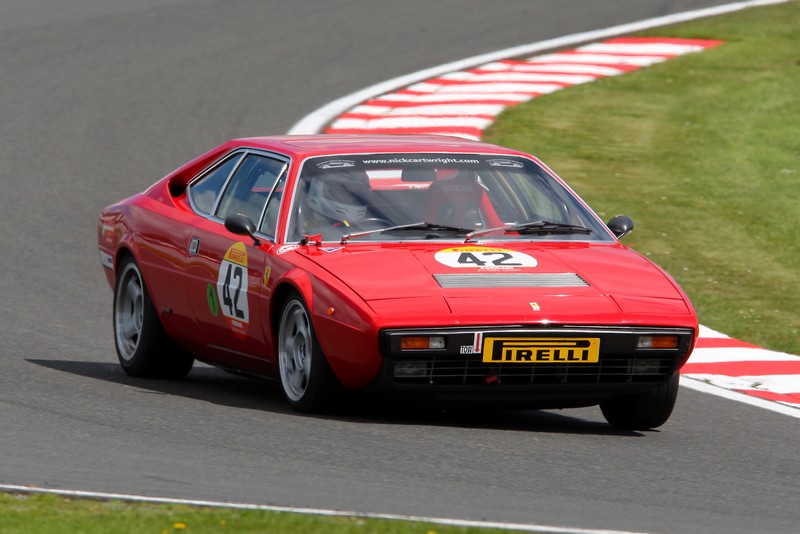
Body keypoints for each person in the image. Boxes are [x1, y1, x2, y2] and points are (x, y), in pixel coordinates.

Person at [300, 168, 372, 240]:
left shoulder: (376, 221)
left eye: (357, 192)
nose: (352, 196)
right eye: (343, 191)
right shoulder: (307, 221)